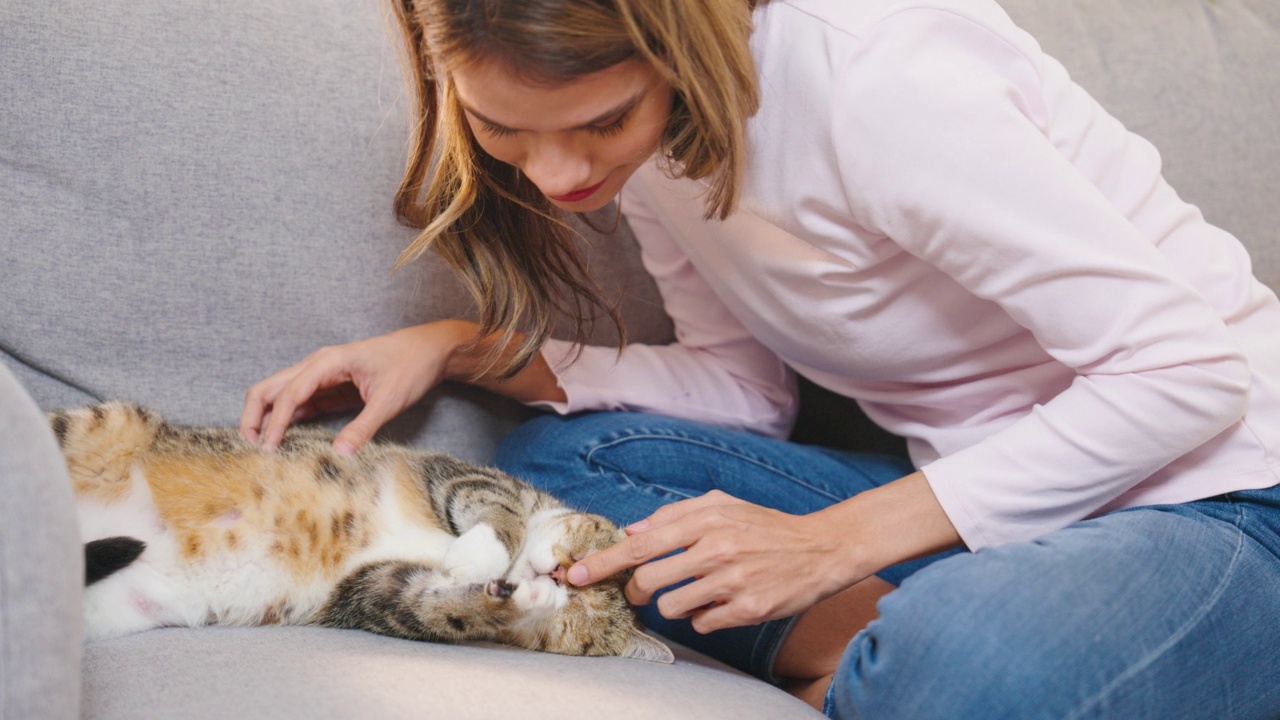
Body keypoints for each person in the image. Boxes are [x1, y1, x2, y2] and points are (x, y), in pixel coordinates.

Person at [239, 0, 1280, 717]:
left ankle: (923, 659)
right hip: (988, 505)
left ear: (679, 33)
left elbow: (1185, 373)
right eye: (503, 128)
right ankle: (885, 657)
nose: (560, 174)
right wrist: (455, 347)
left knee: (969, 672)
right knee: (575, 469)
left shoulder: (877, 76)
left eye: (602, 121)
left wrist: (828, 547)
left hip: (1224, 492)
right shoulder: (646, 141)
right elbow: (739, 391)